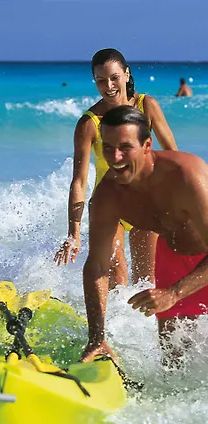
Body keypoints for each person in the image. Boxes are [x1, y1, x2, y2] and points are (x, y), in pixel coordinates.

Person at [80, 105, 208, 368]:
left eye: (125, 147)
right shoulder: (108, 196)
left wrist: (173, 293)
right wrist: (96, 338)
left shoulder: (186, 175)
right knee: (174, 369)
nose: (115, 157)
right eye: (107, 148)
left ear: (147, 145)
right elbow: (97, 266)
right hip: (172, 259)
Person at [55, 48, 178, 288]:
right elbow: (79, 181)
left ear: (126, 74)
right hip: (109, 205)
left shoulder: (147, 106)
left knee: (146, 283)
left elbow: (173, 157)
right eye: (101, 80)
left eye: (114, 78)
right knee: (118, 282)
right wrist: (73, 233)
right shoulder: (90, 124)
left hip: (147, 202)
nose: (109, 86)